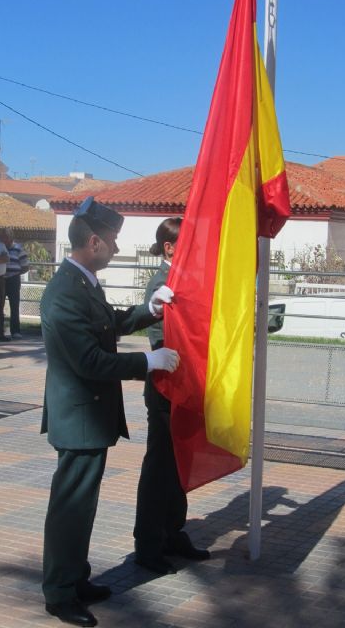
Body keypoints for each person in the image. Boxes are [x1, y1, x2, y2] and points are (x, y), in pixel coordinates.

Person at [41, 198, 179, 628]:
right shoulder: (65, 292)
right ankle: (59, 594)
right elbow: (88, 361)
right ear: (94, 242)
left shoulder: (82, 283)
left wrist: (149, 310)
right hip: (79, 417)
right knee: (70, 508)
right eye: (113, 241)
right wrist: (146, 362)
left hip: (89, 416)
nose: (117, 248)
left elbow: (110, 323)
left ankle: (75, 577)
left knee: (82, 507)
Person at [134, 217, 210, 576]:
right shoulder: (161, 283)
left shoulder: (182, 279)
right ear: (169, 247)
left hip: (185, 384)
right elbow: (160, 338)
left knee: (179, 462)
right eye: (187, 244)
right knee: (160, 465)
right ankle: (148, 544)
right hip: (165, 385)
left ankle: (172, 532)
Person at [0, 228, 30, 339]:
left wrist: (15, 273)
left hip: (13, 280)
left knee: (14, 306)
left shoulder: (18, 249)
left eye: (6, 237)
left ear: (11, 237)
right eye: (2, 237)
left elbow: (25, 266)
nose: (4, 239)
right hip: (1, 279)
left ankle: (15, 331)